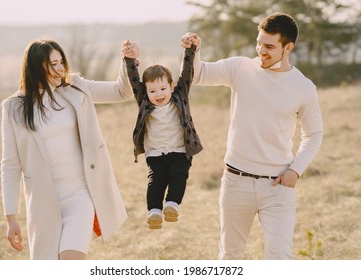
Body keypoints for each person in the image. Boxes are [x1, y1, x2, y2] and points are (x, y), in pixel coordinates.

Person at [181, 13, 323, 259]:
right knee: (230, 257)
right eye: (259, 43)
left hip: (278, 186)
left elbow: (314, 133)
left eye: (269, 46)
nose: (261, 51)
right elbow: (199, 73)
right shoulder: (240, 68)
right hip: (236, 182)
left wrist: (295, 170)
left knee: (279, 258)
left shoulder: (303, 87)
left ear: (288, 47)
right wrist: (193, 51)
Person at [1, 38, 139, 260]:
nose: (59, 69)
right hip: (43, 202)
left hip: (79, 195)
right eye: (52, 64)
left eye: (60, 62)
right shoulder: (13, 108)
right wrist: (11, 218)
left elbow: (120, 92)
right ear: (36, 68)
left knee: (71, 261)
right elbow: (10, 165)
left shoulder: (75, 86)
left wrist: (128, 62)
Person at [122, 43, 203, 229]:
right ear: (146, 91)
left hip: (180, 150)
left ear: (172, 87)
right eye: (152, 91)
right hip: (155, 153)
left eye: (162, 89)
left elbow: (187, 72)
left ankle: (172, 205)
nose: (158, 94)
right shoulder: (144, 100)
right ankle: (154, 212)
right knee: (156, 180)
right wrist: (129, 59)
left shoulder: (180, 95)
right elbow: (134, 79)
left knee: (178, 176)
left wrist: (189, 50)